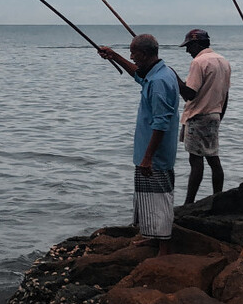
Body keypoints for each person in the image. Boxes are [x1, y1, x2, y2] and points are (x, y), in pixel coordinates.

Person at [98, 34, 180, 255]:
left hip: (155, 155)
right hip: (150, 151)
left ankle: (163, 248)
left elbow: (161, 122)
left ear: (144, 54)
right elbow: (138, 75)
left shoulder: (160, 81)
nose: (131, 56)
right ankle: (153, 237)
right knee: (147, 197)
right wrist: (114, 56)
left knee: (159, 199)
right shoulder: (160, 72)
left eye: (133, 53)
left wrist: (147, 157)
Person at [176, 29, 231, 204]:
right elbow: (225, 93)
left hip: (198, 115)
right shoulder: (223, 61)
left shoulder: (199, 62)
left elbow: (189, 94)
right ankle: (218, 197)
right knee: (213, 158)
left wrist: (174, 78)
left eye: (189, 47)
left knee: (196, 160)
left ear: (196, 44)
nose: (187, 51)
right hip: (215, 114)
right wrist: (220, 114)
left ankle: (189, 203)